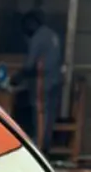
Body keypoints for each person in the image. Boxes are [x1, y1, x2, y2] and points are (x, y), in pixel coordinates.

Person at [16, 8, 63, 153]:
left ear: (31, 23)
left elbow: (30, 65)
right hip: (55, 80)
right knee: (50, 114)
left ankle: (39, 148)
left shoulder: (38, 37)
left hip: (43, 82)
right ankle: (46, 145)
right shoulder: (52, 34)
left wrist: (17, 77)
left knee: (40, 113)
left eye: (26, 26)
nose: (26, 30)